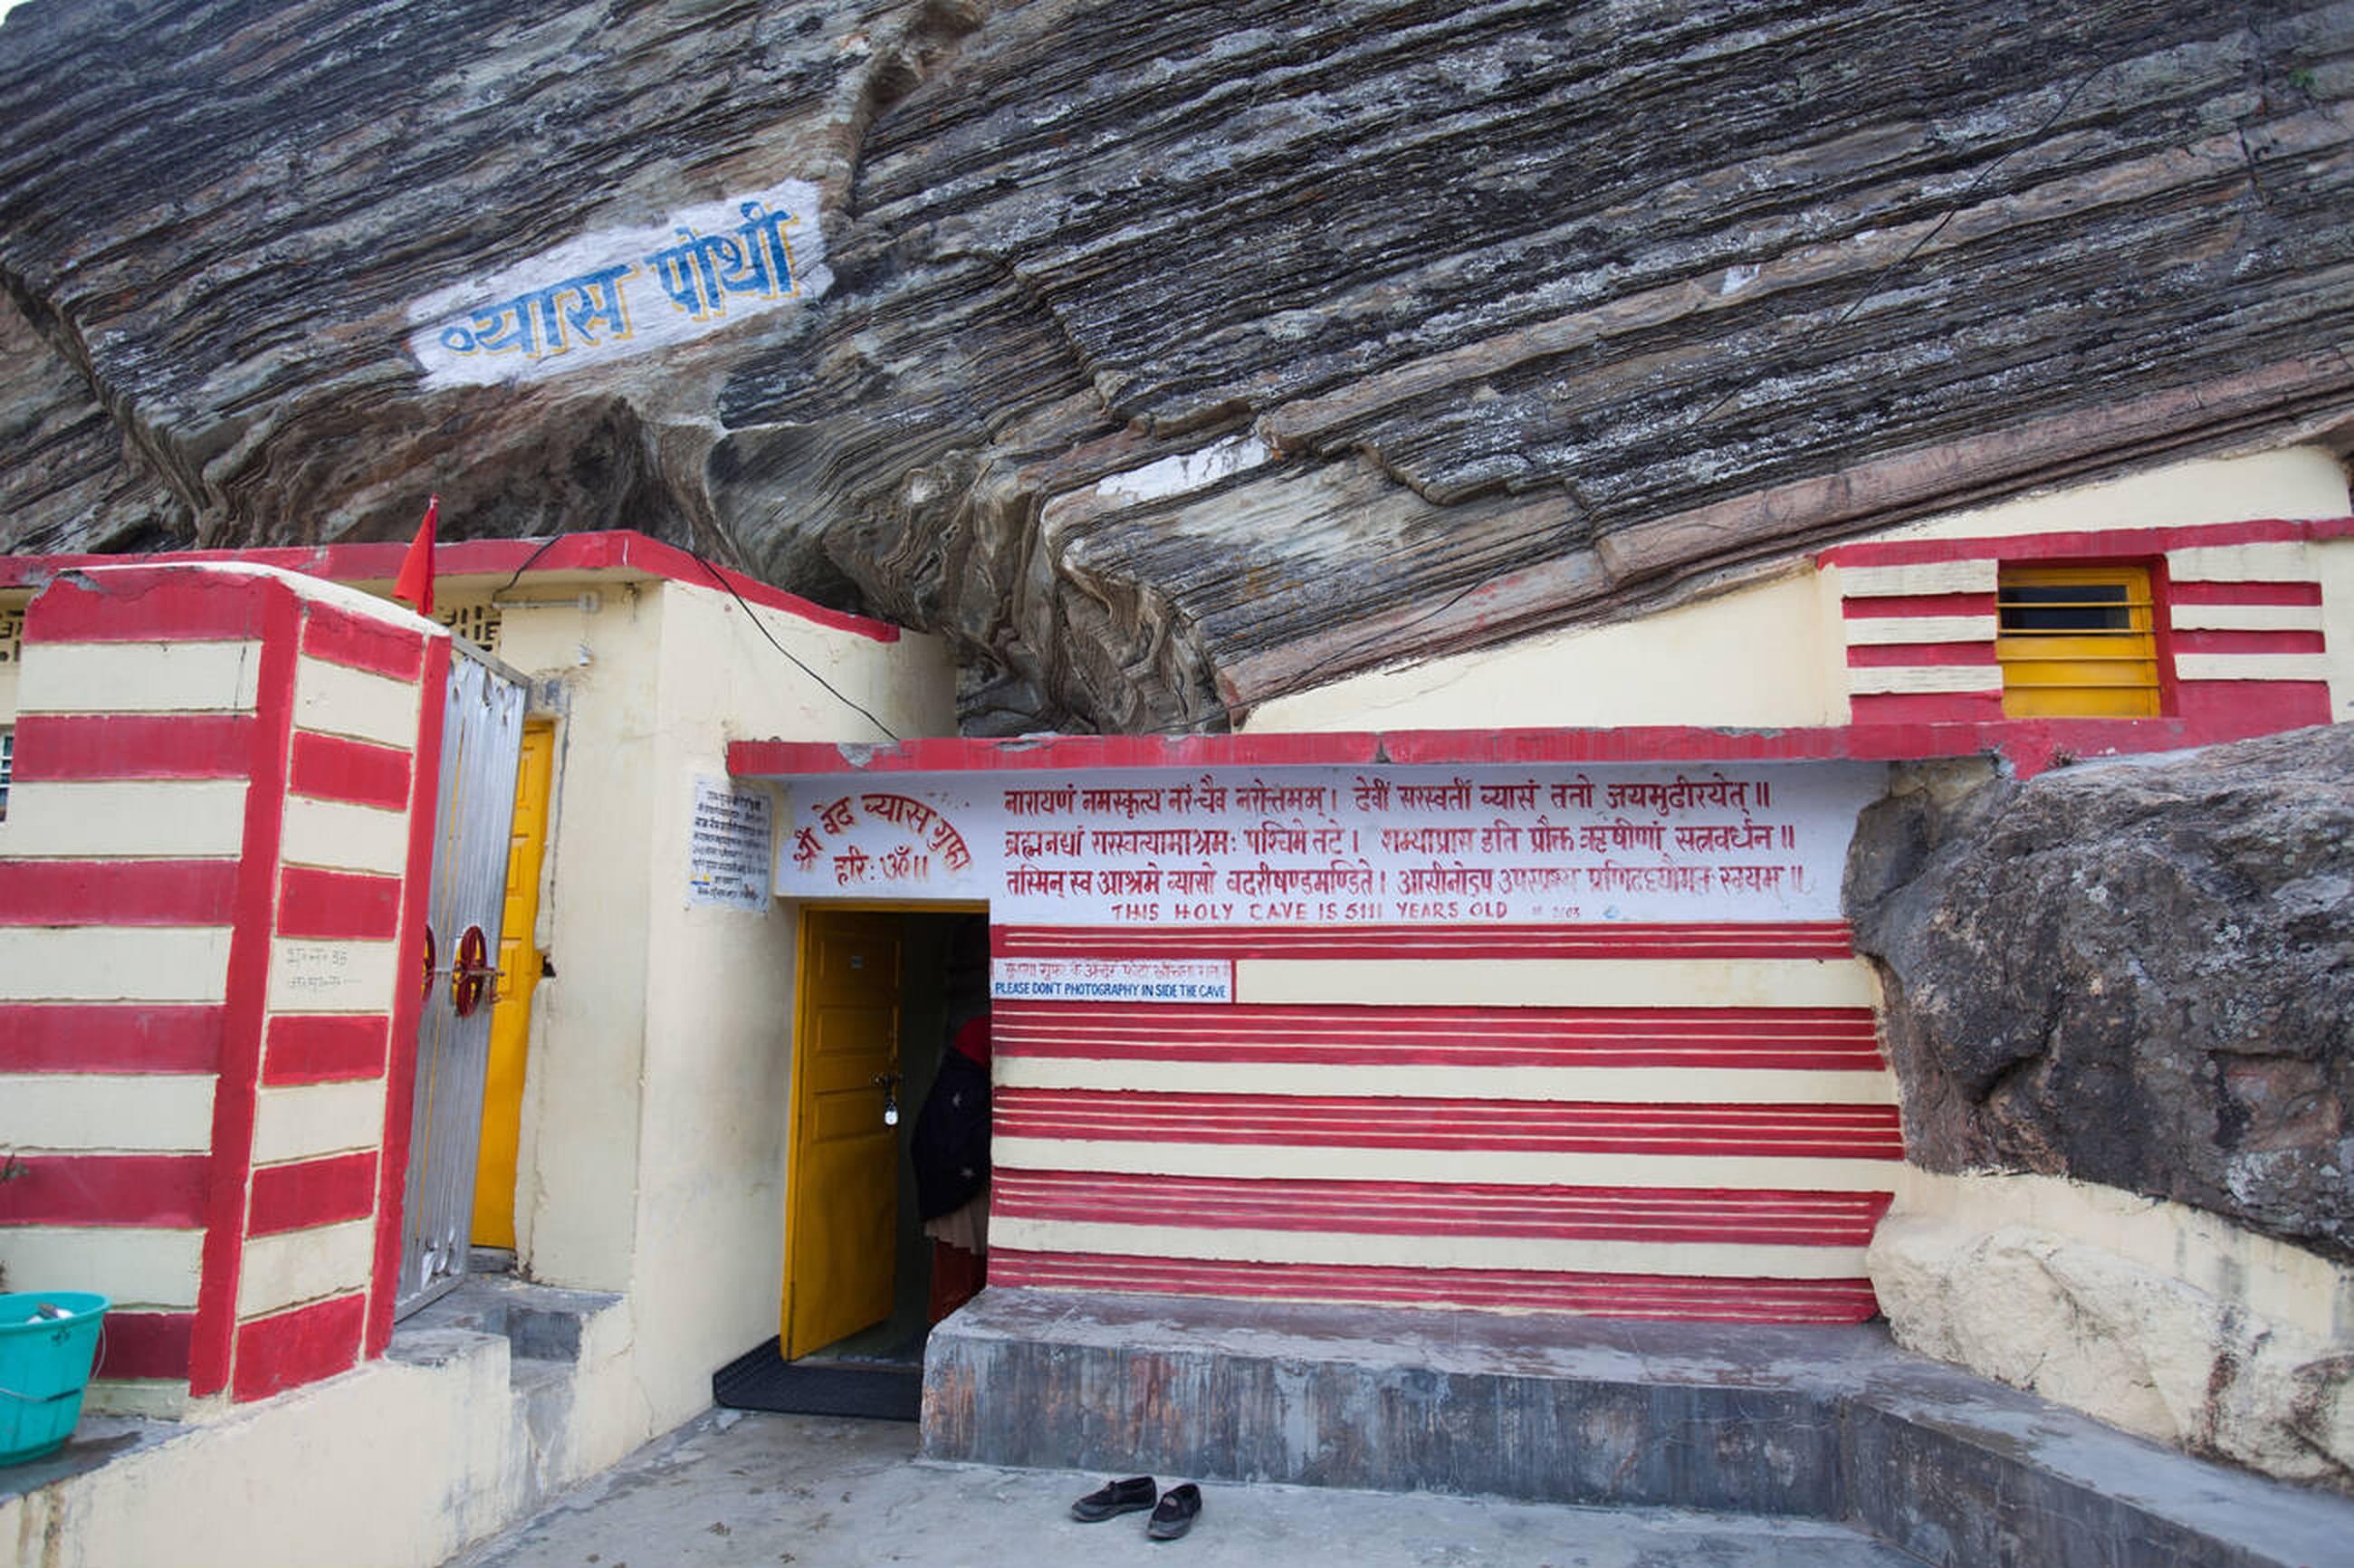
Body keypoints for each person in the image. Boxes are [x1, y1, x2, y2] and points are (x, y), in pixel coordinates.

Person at [913, 1002, 990, 1320]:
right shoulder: (966, 1089)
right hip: (955, 1192)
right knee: (956, 1275)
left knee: (963, 1272)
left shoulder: (962, 1080)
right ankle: (946, 1341)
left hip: (960, 1189)